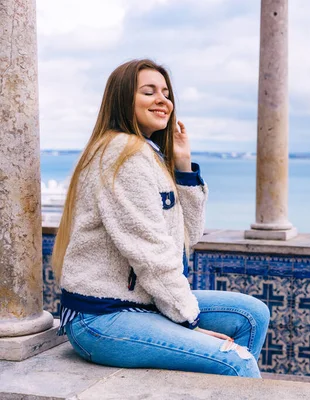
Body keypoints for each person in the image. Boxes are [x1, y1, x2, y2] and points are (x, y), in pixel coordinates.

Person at [52, 59, 270, 378]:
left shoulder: (148, 154)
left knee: (251, 315)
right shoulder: (122, 154)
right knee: (238, 362)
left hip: (139, 303)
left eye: (166, 93)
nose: (162, 100)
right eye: (148, 91)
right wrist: (189, 323)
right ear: (123, 100)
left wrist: (183, 167)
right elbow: (150, 254)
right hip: (102, 316)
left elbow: (186, 238)